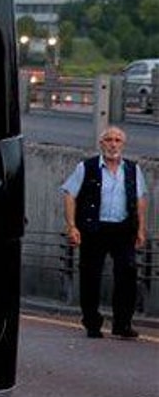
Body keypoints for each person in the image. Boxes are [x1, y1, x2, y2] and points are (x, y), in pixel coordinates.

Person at [61, 126, 148, 339]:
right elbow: (69, 194)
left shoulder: (132, 169)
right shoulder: (87, 167)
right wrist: (72, 225)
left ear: (123, 145)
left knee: (127, 273)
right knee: (90, 275)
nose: (113, 144)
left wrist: (141, 228)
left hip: (123, 228)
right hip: (94, 229)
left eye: (117, 140)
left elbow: (140, 199)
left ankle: (122, 323)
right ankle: (92, 322)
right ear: (101, 144)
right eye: (108, 140)